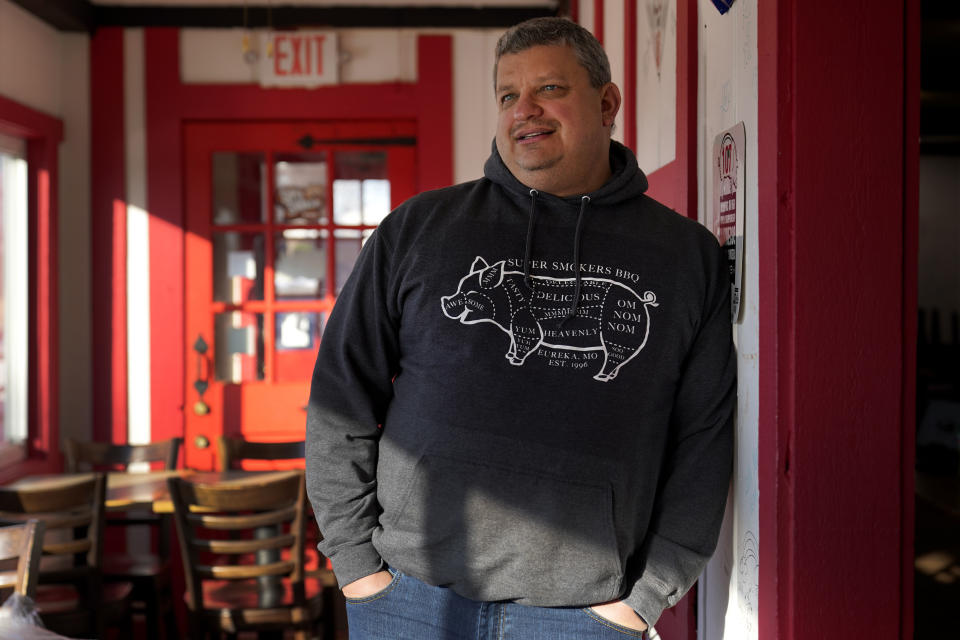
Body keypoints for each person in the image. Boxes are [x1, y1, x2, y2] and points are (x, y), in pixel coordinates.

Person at [306, 16, 735, 639]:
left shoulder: (683, 256)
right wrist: (356, 566)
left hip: (588, 614)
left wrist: (646, 597)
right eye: (508, 95)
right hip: (408, 596)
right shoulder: (421, 229)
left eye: (550, 89)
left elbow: (704, 435)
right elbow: (341, 393)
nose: (524, 110)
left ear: (607, 102)